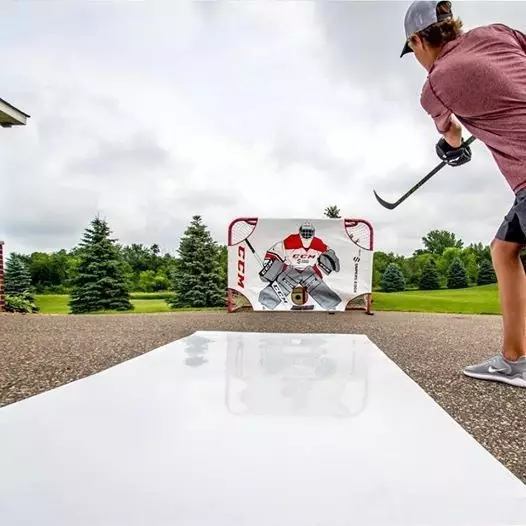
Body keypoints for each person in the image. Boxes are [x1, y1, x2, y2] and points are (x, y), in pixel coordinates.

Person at [400, 0, 526, 387]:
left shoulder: (435, 83)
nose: (417, 58)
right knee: (503, 250)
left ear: (420, 40)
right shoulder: (498, 32)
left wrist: (452, 150)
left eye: (413, 50)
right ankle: (514, 359)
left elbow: (452, 136)